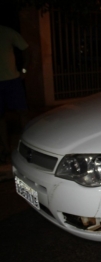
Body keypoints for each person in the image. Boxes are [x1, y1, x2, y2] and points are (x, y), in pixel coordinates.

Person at [0, 24, 30, 164]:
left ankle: (26, 146)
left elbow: (27, 49)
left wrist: (24, 69)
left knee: (22, 112)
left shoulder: (7, 32)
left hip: (12, 80)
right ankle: (6, 149)